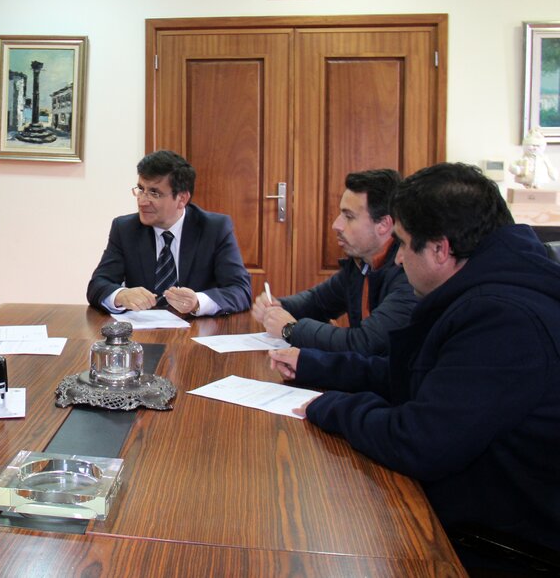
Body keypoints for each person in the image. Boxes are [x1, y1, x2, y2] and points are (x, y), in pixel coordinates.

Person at [269, 163, 560, 571]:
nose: (400, 259)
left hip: (491, 541)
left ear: (440, 249)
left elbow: (420, 441)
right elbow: (415, 376)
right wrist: (319, 368)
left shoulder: (504, 320)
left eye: (404, 245)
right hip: (469, 503)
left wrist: (333, 408)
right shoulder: (487, 290)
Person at [252, 169, 416, 355]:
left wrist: (290, 329)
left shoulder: (409, 273)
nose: (336, 224)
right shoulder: (360, 263)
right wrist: (277, 306)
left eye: (349, 216)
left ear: (384, 225)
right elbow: (318, 302)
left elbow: (364, 342)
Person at [87, 149, 251, 315]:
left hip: (197, 330)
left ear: (182, 199)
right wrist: (121, 295)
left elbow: (241, 291)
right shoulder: (125, 229)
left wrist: (198, 302)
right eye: (141, 189)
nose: (142, 201)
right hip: (142, 333)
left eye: (154, 193)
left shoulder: (214, 228)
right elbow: (98, 284)